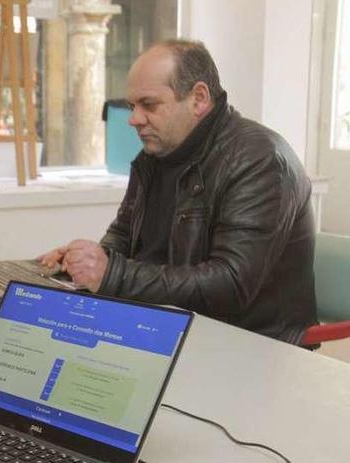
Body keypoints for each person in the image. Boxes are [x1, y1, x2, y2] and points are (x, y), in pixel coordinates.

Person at [39, 39, 317, 344]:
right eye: (132, 106)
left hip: (248, 344)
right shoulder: (155, 155)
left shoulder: (259, 160)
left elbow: (231, 285)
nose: (133, 119)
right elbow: (124, 237)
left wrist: (112, 274)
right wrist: (83, 263)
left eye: (149, 104)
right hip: (173, 328)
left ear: (198, 98)